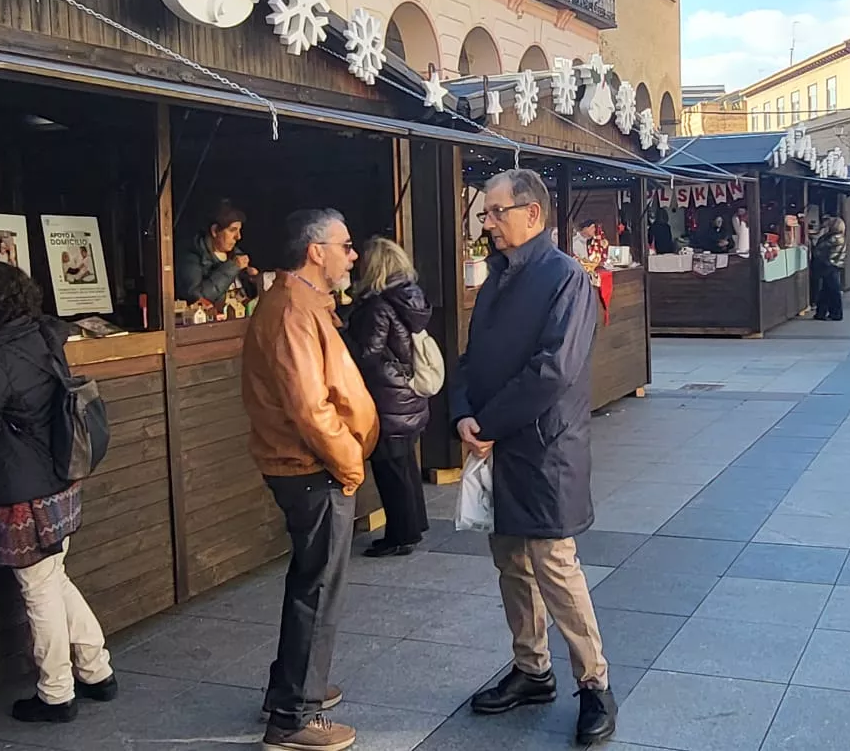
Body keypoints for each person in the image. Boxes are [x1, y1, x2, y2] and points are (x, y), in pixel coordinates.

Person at [454, 168, 616, 747]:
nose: (488, 223)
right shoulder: (499, 278)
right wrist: (463, 412)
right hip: (497, 444)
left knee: (555, 565)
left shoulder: (565, 278)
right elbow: (471, 359)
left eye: (496, 212)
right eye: (486, 214)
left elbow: (554, 370)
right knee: (510, 563)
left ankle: (594, 683)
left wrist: (489, 423)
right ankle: (531, 668)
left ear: (532, 214)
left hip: (544, 450)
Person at [0, 262, 117, 724]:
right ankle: (96, 668)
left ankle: (56, 693)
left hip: (19, 488)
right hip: (57, 477)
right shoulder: (43, 335)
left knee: (37, 588)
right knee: (52, 576)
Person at [240, 209, 377, 751]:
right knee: (318, 589)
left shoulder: (300, 303)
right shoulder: (293, 308)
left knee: (311, 583)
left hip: (308, 464)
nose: (352, 255)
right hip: (311, 467)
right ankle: (295, 715)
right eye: (344, 245)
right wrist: (348, 461)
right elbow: (309, 405)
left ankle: (292, 690)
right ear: (315, 251)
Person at [343, 236, 434, 558]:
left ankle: (400, 535)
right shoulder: (408, 298)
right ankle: (413, 527)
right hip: (404, 395)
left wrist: (338, 332)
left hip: (386, 398)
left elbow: (366, 353)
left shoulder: (377, 307)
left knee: (391, 470)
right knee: (404, 464)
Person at [176, 201, 260, 314]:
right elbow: (197, 297)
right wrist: (232, 268)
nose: (238, 237)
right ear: (215, 231)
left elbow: (248, 298)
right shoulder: (193, 256)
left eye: (239, 230)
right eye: (232, 230)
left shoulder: (237, 255)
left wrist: (254, 281)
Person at [812, 217, 847, 321]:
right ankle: (824, 313)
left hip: (830, 266)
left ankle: (834, 313)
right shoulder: (839, 237)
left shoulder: (834, 238)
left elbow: (819, 247)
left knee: (831, 291)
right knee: (828, 290)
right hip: (834, 266)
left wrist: (821, 233)